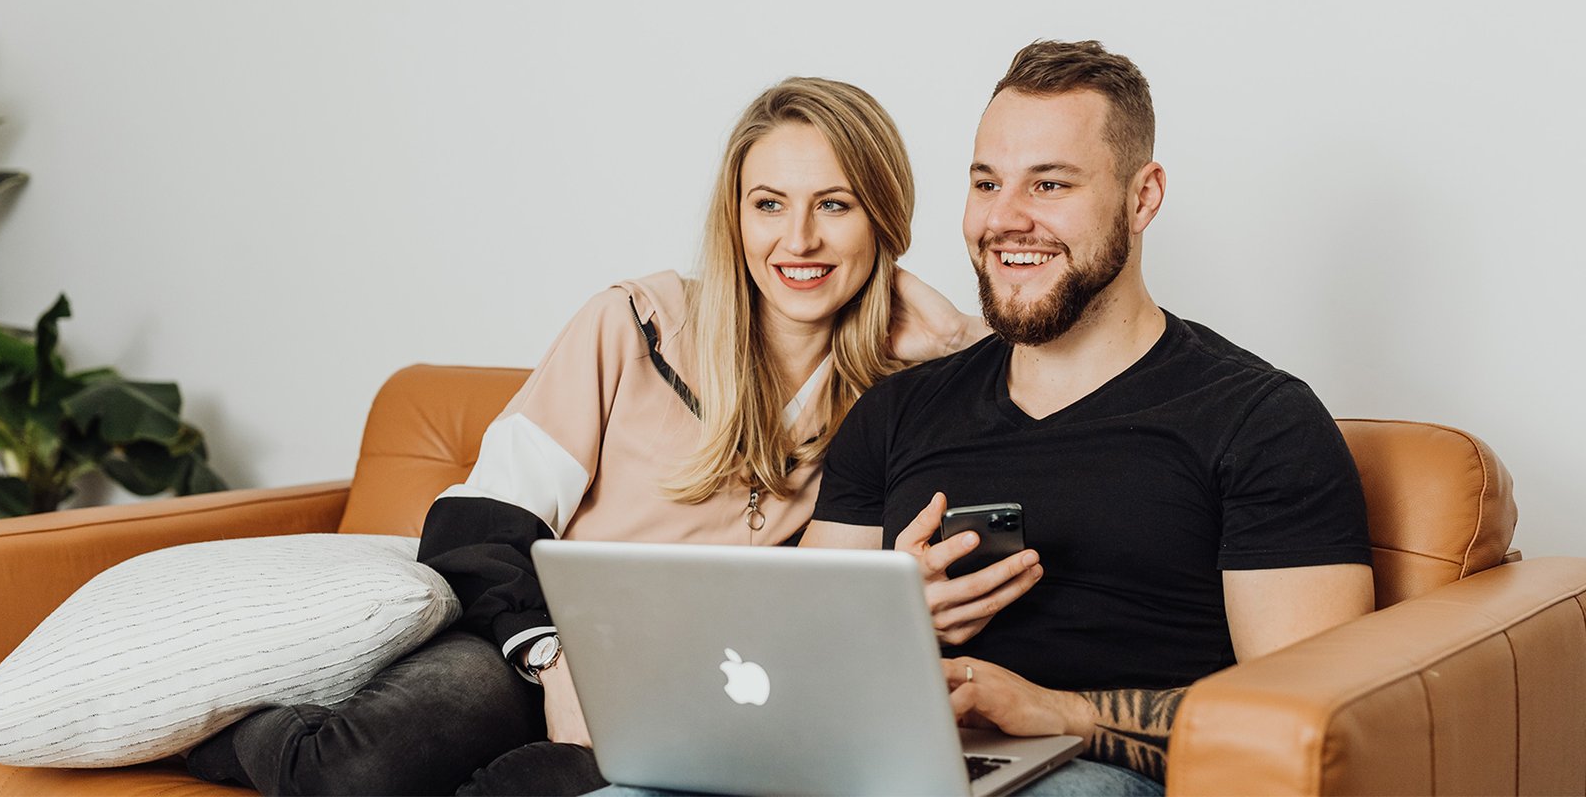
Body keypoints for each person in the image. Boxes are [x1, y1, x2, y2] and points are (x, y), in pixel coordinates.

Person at [184, 76, 987, 796]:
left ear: (883, 219)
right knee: (354, 773)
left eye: (835, 205)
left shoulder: (899, 398)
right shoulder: (632, 325)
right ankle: (222, 736)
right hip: (532, 648)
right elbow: (479, 527)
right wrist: (554, 659)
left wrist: (957, 337)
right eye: (769, 203)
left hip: (696, 694)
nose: (798, 239)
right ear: (735, 216)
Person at [804, 40, 1375, 795]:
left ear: (1142, 198)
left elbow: (1312, 720)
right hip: (891, 765)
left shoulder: (1260, 421)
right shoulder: (894, 411)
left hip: (1098, 775)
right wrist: (888, 622)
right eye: (986, 183)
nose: (1003, 218)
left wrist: (1063, 713)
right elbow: (788, 670)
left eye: (1049, 184)